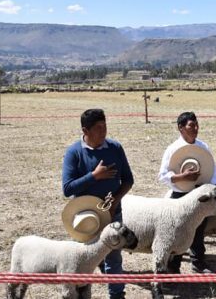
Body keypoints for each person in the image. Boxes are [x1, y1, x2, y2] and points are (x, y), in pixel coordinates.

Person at [61, 109, 134, 299]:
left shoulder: (115, 148)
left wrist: (114, 201)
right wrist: (94, 176)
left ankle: (117, 295)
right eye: (98, 128)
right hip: (85, 218)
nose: (104, 132)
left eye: (105, 126)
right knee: (83, 260)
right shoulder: (74, 153)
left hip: (112, 214)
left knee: (114, 258)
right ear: (85, 130)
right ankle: (81, 294)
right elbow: (67, 188)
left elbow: (128, 180)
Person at [158, 111, 216, 273]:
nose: (195, 128)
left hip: (200, 195)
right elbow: (163, 176)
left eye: (196, 125)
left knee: (199, 229)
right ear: (180, 128)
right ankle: (173, 266)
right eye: (191, 125)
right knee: (178, 232)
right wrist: (182, 176)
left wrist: (214, 188)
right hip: (180, 196)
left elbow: (213, 172)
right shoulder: (173, 149)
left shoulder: (203, 147)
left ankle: (198, 263)